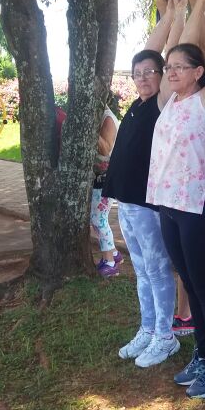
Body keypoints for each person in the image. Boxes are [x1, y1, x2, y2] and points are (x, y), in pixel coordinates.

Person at [147, 0, 205, 399]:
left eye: (180, 68)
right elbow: (173, 45)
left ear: (199, 72)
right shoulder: (169, 102)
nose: (171, 72)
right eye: (169, 68)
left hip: (198, 207)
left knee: (204, 287)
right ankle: (203, 352)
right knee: (188, 279)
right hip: (167, 204)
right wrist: (183, 8)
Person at [105, 0, 181, 367]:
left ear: (163, 75)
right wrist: (166, 13)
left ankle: (166, 337)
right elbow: (147, 53)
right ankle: (148, 329)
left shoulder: (162, 102)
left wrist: (174, 14)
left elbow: (159, 52)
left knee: (157, 269)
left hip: (148, 204)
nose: (142, 77)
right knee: (141, 271)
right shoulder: (137, 104)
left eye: (150, 72)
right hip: (127, 203)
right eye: (137, 73)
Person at [91, 100, 122, 277]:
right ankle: (114, 253)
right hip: (97, 178)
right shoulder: (99, 117)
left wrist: (88, 127)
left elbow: (105, 149)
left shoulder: (107, 119)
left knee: (98, 219)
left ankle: (110, 262)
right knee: (96, 218)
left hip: (105, 179)